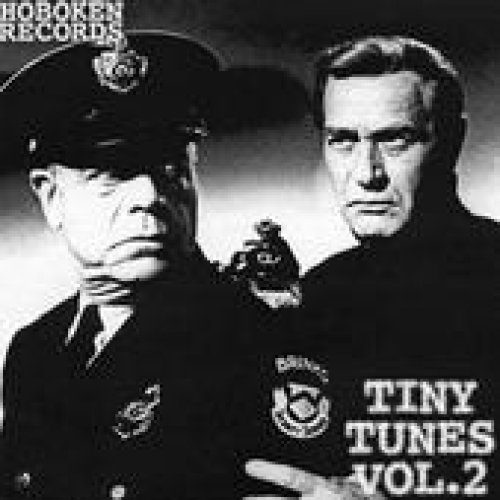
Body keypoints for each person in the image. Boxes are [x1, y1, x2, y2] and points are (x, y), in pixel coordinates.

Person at [0, 30, 265, 500]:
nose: (149, 196)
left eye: (171, 169)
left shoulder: (257, 338)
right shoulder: (33, 350)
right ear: (50, 197)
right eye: (112, 173)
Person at [241, 36, 499, 499]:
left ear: (452, 142)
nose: (367, 174)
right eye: (342, 142)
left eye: (394, 140)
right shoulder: (316, 294)